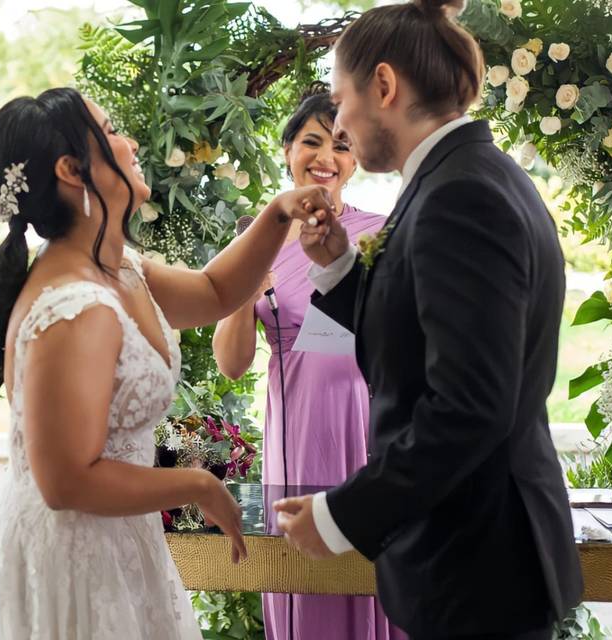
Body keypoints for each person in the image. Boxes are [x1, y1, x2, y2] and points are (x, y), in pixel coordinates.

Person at [0, 87, 333, 639]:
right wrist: (198, 484)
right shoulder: (73, 308)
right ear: (70, 170)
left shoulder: (119, 268)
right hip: (72, 557)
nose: (129, 143)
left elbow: (214, 290)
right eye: (109, 132)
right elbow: (65, 482)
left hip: (120, 540)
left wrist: (281, 212)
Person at [273, 1, 584, 639]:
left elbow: (469, 405)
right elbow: (420, 341)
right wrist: (337, 271)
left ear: (384, 86)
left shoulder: (458, 197)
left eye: (341, 101)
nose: (342, 124)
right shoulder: (464, 178)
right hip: (473, 561)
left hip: (475, 568)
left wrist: (340, 514)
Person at [212, 87, 406, 640]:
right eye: (312, 142)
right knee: (308, 582)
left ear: (355, 160)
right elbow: (230, 364)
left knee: (377, 570)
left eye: (341, 145)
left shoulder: (383, 231)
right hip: (302, 431)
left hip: (373, 424)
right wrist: (246, 289)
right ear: (288, 150)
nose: (326, 157)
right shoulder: (258, 240)